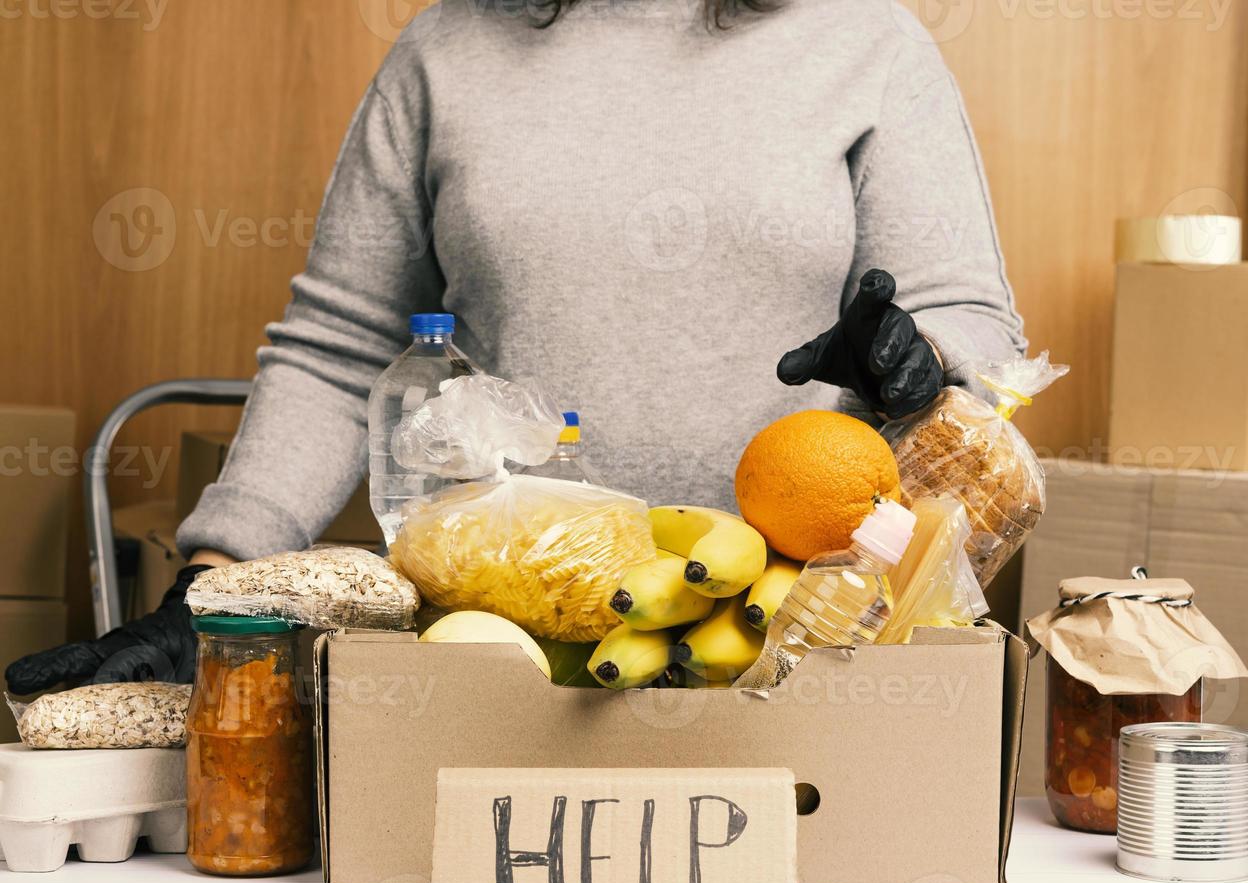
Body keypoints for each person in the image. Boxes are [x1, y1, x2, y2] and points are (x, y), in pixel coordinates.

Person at [7, 0, 1024, 695]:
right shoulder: (444, 51)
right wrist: (217, 581)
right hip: (501, 645)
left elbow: (970, 320)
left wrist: (919, 358)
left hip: (799, 637)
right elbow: (341, 345)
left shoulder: (867, 39)